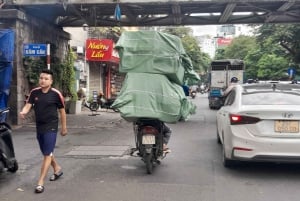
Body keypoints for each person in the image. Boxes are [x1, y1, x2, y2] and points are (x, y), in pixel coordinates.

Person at [20, 69, 67, 194]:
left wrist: (64, 127)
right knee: (47, 152)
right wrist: (24, 112)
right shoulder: (34, 92)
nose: (43, 80)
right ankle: (57, 169)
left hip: (51, 126)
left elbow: (62, 111)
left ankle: (40, 182)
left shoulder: (56, 94)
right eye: (41, 78)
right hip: (39, 126)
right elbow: (28, 105)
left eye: (46, 79)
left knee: (47, 153)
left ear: (51, 81)